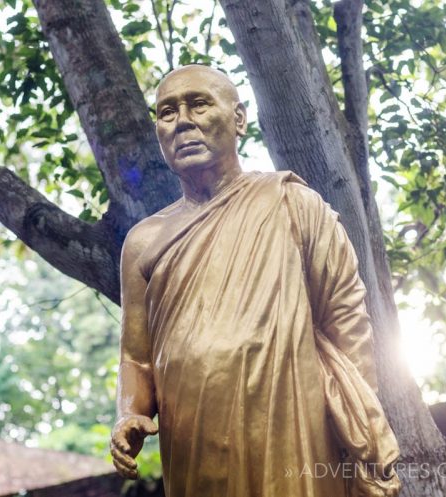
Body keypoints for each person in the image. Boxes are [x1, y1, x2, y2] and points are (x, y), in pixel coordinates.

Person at [110, 64, 400, 497]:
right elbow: (137, 357)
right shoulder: (143, 242)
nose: (183, 121)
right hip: (193, 440)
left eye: (199, 104)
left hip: (295, 424)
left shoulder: (294, 205)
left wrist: (358, 429)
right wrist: (129, 412)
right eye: (167, 112)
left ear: (238, 119)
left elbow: (347, 324)